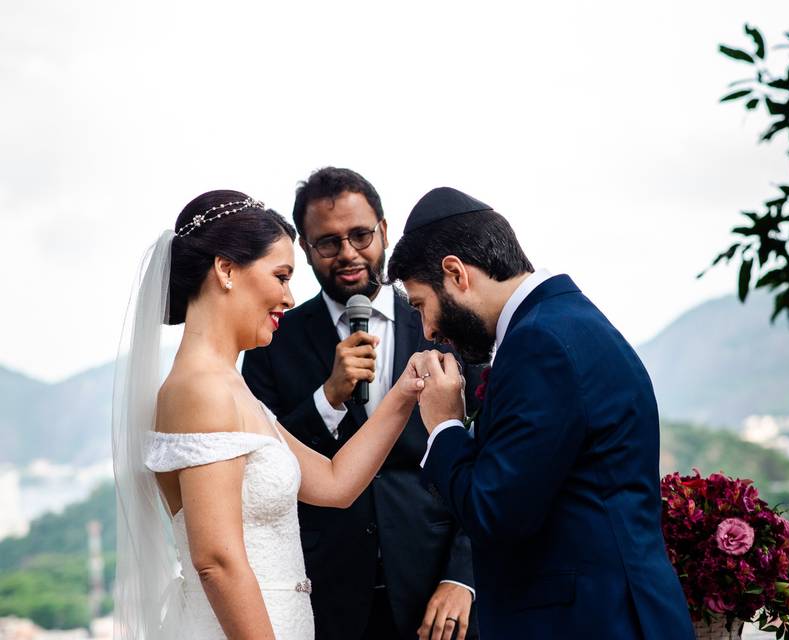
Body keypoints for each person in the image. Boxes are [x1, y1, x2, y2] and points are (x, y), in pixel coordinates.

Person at [112, 190, 431, 640]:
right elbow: (217, 562)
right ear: (225, 270)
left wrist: (406, 390)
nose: (288, 296)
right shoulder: (200, 389)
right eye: (280, 276)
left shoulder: (230, 386)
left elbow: (335, 482)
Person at [387, 187, 696, 639]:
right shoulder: (560, 322)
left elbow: (495, 513)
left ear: (455, 273)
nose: (429, 329)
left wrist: (445, 424)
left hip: (592, 622)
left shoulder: (539, 343)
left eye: (421, 305)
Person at [242, 168, 479, 640]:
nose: (348, 253)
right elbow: (262, 463)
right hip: (327, 595)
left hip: (436, 590)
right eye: (327, 242)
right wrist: (326, 398)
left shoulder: (447, 324)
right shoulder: (271, 340)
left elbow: (490, 454)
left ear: (384, 231)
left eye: (360, 235)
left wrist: (463, 576)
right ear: (306, 250)